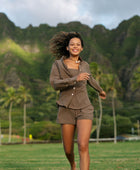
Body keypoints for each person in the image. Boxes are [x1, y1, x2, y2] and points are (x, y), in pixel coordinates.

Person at [49, 32, 106, 170]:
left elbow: (90, 78)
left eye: (78, 45)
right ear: (67, 48)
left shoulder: (85, 65)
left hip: (84, 108)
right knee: (68, 150)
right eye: (72, 44)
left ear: (82, 48)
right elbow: (55, 84)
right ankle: (73, 164)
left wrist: (100, 90)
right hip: (65, 108)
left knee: (83, 145)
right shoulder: (58, 65)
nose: (75, 46)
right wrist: (75, 78)